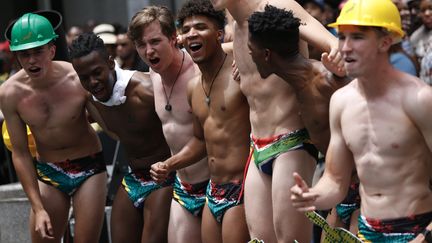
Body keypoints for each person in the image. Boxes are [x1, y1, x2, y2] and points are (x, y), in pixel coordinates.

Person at [291, 0, 432, 242]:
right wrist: (313, 195)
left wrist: (427, 236)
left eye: (357, 37)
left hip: (415, 230)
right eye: (342, 37)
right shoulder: (341, 102)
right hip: (366, 231)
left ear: (385, 41)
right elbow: (335, 181)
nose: (344, 47)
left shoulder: (419, 99)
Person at [210, 0, 342, 241]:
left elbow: (333, 44)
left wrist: (337, 62)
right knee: (259, 239)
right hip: (257, 146)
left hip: (291, 141)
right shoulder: (237, 28)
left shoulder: (276, 4)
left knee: (289, 239)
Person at [247, 5, 355, 239]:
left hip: (372, 197)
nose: (248, 57)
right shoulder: (299, 86)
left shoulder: (329, 83)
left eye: (250, 50)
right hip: (342, 193)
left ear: (266, 54)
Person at [0, 13, 107, 242]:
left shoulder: (76, 77)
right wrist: (38, 208)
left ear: (51, 50)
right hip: (49, 172)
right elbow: (19, 154)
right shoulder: (10, 93)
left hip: (89, 166)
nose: (31, 61)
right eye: (24, 54)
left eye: (38, 51)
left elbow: (109, 124)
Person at [151, 0, 251, 242]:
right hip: (212, 191)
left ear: (218, 35)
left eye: (200, 27)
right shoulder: (193, 87)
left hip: (243, 190)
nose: (191, 33)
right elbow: (199, 141)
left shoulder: (241, 73)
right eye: (185, 30)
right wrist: (169, 164)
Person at [69, 32, 172, 243]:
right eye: (84, 77)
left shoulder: (147, 89)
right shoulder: (90, 99)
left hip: (166, 177)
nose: (93, 82)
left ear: (110, 62)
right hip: (133, 178)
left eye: (97, 72)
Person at [128, 6, 210, 243]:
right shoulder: (151, 76)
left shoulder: (199, 73)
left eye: (155, 41)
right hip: (182, 187)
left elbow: (205, 138)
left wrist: (168, 164)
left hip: (213, 185)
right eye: (141, 45)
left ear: (174, 38)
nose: (148, 51)